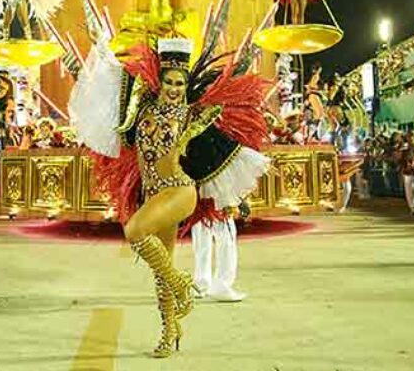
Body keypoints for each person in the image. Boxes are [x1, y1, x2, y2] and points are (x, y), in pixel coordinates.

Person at [69, 36, 270, 357]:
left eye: (181, 83)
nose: (176, 88)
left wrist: (234, 198)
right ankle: (169, 330)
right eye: (170, 82)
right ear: (160, 81)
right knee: (159, 272)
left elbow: (221, 158)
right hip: (153, 195)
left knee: (134, 231)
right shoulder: (140, 109)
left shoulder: (194, 117)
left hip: (180, 191)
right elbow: (105, 91)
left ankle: (182, 286)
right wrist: (79, 67)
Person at [190, 205, 246, 303]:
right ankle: (221, 285)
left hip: (200, 198)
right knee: (225, 238)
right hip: (220, 199)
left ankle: (201, 284)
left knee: (202, 233)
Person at [398, 130, 414, 215]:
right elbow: (401, 161)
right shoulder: (404, 150)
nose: (411, 138)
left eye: (412, 137)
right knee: (409, 191)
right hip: (408, 173)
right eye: (409, 137)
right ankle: (413, 208)